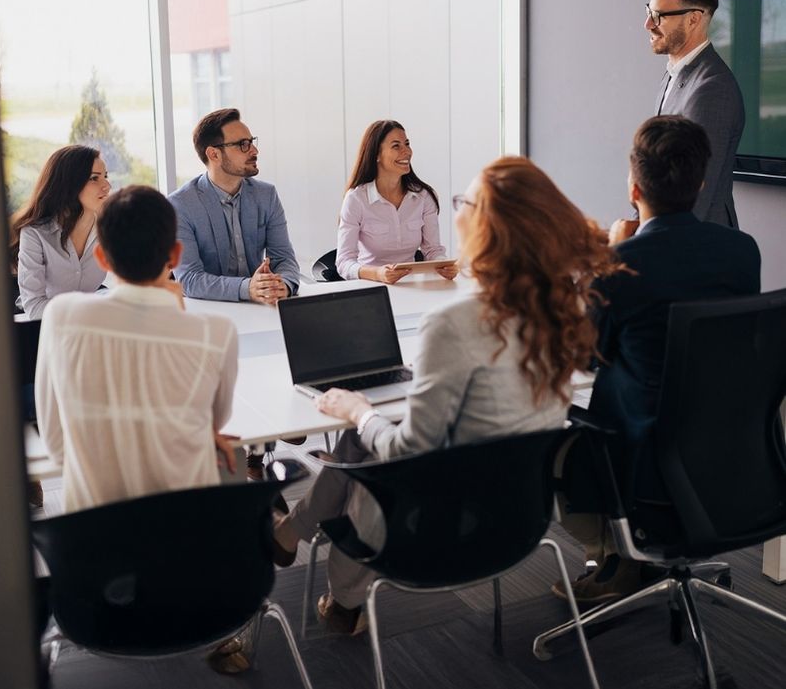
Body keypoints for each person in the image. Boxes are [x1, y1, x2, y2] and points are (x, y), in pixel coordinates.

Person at [274, 156, 622, 634]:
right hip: (518, 522)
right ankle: (294, 534)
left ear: (489, 225)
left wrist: (358, 409)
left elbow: (407, 449)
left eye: (464, 202)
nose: (456, 210)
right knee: (361, 438)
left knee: (360, 445)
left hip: (427, 527)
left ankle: (342, 598)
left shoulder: (455, 323)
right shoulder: (563, 310)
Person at [558, 116, 761, 603]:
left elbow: (583, 357)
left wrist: (612, 252)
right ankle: (624, 558)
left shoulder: (621, 265)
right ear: (701, 183)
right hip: (728, 447)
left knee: (559, 439)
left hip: (643, 451)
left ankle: (621, 555)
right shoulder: (743, 250)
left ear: (634, 188)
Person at [35, 185, 239, 514]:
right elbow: (213, 421)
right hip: (186, 532)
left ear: (101, 257)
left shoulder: (61, 316)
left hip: (94, 541)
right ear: (175, 255)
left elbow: (57, 448)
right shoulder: (216, 332)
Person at [644, 0, 744, 228]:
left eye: (658, 16)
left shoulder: (713, 88)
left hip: (699, 248)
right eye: (648, 12)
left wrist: (648, 246)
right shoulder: (673, 74)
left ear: (693, 19)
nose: (648, 24)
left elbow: (696, 194)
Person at [169, 107, 300, 303]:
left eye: (251, 142)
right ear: (214, 154)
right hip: (210, 311)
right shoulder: (179, 205)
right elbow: (189, 279)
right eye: (242, 145)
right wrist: (247, 288)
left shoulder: (266, 195)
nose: (254, 150)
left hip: (261, 308)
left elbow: (284, 258)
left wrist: (283, 286)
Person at [335, 120, 457, 283]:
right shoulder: (356, 199)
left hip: (412, 285)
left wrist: (444, 265)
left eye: (407, 144)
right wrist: (377, 273)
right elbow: (344, 262)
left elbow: (433, 250)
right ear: (377, 155)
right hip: (371, 287)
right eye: (396, 146)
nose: (407, 152)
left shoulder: (424, 197)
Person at [10, 145, 110, 320]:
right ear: (70, 184)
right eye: (94, 178)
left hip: (89, 324)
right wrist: (90, 312)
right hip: (39, 328)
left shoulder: (110, 226)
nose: (107, 186)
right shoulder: (35, 233)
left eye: (106, 176)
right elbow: (34, 306)